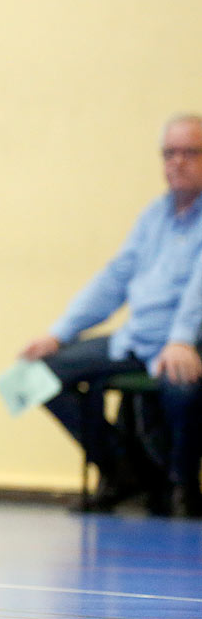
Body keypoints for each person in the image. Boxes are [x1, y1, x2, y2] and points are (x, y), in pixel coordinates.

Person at [20, 114, 202, 518]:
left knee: (183, 389)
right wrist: (59, 333)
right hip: (135, 337)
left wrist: (183, 339)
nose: (178, 162)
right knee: (27, 377)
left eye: (190, 153)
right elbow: (114, 279)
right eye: (170, 154)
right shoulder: (153, 216)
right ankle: (120, 470)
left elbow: (198, 292)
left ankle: (182, 487)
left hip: (183, 341)